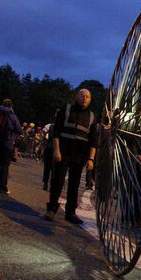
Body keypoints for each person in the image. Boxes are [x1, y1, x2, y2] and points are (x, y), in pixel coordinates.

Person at [45, 89, 100, 224]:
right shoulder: (66, 109)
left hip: (79, 155)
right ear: (77, 96)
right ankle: (51, 209)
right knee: (58, 180)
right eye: (83, 96)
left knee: (74, 184)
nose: (85, 98)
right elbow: (56, 131)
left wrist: (91, 159)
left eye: (88, 96)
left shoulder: (92, 116)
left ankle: (70, 213)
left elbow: (93, 140)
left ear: (90, 99)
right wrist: (56, 150)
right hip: (63, 151)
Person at [0, 99, 23, 194]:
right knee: (5, 165)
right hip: (7, 144)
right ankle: (2, 187)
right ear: (11, 107)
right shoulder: (12, 116)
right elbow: (19, 130)